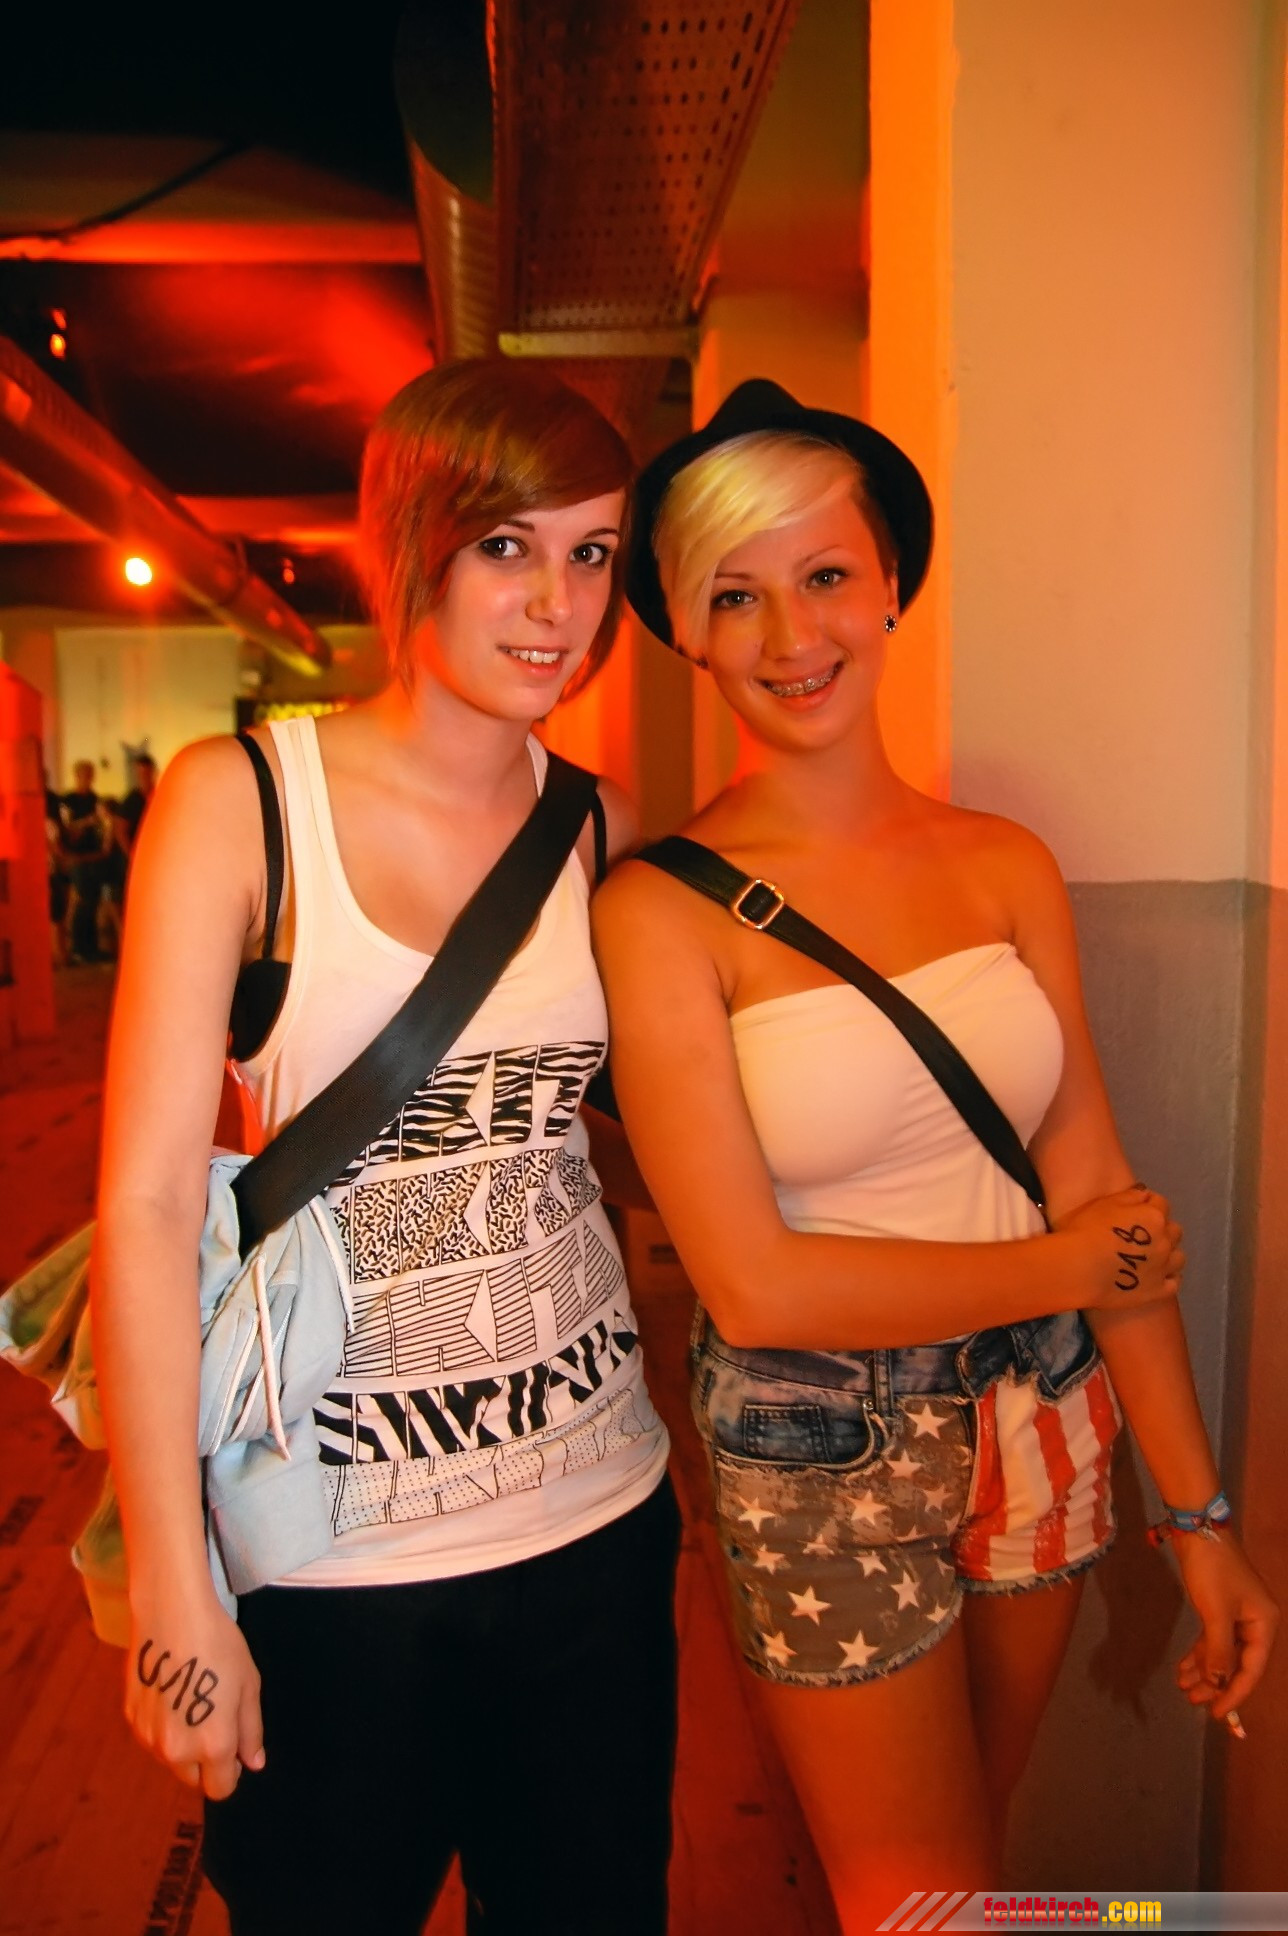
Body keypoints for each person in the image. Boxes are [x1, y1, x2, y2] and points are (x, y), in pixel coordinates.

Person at [591, 380, 1277, 1929]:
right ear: (686, 632)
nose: (792, 635)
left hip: (1047, 1413)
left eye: (826, 575)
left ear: (890, 582)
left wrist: (1200, 1523)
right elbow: (756, 1289)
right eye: (736, 597)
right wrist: (1071, 1263)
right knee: (924, 1903)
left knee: (973, 1875)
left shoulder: (1004, 863)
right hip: (823, 1444)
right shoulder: (660, 911)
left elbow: (1099, 1188)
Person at [92, 359, 677, 1936]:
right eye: (507, 547)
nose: (556, 602)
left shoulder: (601, 828)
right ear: (414, 543)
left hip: (597, 1525)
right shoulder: (242, 804)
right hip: (330, 1566)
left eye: (592, 552)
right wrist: (173, 1584)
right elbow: (146, 1206)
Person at [102, 752, 158, 951]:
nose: (143, 776)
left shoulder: (157, 795)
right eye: (140, 773)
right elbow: (120, 830)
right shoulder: (132, 800)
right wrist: (133, 856)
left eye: (146, 772)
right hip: (134, 861)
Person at [61, 758, 108, 962]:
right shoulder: (69, 800)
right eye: (84, 774)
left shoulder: (94, 799)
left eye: (90, 774)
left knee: (93, 900)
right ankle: (79, 947)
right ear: (77, 776)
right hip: (77, 857)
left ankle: (92, 947)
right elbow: (66, 827)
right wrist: (87, 822)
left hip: (94, 855)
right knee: (83, 900)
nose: (88, 778)